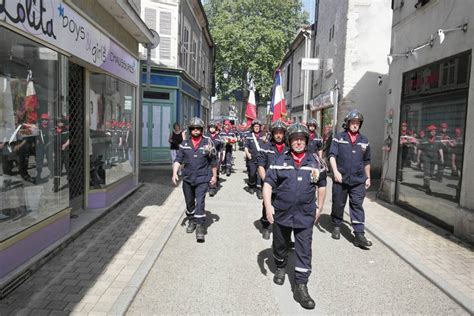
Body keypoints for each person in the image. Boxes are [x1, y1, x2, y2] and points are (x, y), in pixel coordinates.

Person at [263, 122, 323, 309]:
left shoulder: (315, 162)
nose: (298, 142)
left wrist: (319, 207)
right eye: (295, 139)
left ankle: (301, 286)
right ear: (290, 141)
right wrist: (268, 207)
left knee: (304, 250)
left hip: (305, 215)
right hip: (282, 213)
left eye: (302, 139)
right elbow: (267, 184)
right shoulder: (280, 161)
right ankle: (280, 267)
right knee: (280, 245)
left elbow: (322, 185)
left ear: (306, 141)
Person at [329, 110, 372, 248]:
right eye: (353, 122)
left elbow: (367, 161)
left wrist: (368, 177)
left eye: (357, 123)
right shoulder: (338, 138)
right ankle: (336, 225)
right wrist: (335, 171)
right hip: (340, 178)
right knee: (338, 204)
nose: (355, 125)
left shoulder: (364, 141)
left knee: (357, 205)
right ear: (347, 124)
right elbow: (332, 156)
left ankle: (359, 235)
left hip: (358, 180)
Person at [172, 117, 217, 242]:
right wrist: (174, 173)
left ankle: (200, 227)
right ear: (190, 130)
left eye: (198, 128)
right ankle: (191, 220)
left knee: (200, 201)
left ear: (202, 130)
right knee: (189, 202)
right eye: (193, 128)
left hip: (203, 178)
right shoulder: (184, 144)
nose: (196, 130)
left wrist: (214, 176)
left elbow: (213, 161)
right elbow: (178, 160)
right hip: (187, 178)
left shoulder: (208, 142)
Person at [257, 119, 289, 239]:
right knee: (267, 205)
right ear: (272, 133)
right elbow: (260, 165)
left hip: (285, 184)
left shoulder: (289, 147)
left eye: (281, 132)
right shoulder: (265, 146)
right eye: (276, 132)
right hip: (269, 182)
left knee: (285, 207)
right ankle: (266, 225)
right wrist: (267, 181)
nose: (279, 135)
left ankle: (283, 233)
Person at [418, 124, 443, 194]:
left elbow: (440, 149)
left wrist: (442, 158)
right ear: (428, 132)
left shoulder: (438, 139)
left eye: (434, 131)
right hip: (426, 157)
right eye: (432, 131)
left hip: (434, 158)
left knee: (431, 174)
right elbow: (420, 150)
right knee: (427, 172)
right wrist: (418, 159)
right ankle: (427, 188)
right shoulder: (424, 139)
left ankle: (425, 184)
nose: (433, 132)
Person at [244, 119, 265, 199]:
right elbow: (246, 146)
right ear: (253, 127)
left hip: (261, 158)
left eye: (258, 126)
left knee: (260, 174)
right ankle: (251, 185)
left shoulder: (263, 135)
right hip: (252, 157)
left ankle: (259, 189)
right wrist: (247, 153)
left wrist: (265, 140)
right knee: (252, 173)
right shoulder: (249, 135)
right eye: (255, 126)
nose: (256, 128)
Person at [206, 120, 223, 197]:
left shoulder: (218, 137)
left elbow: (220, 148)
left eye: (213, 127)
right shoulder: (205, 136)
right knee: (207, 172)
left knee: (214, 172)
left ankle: (212, 187)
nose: (212, 129)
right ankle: (207, 185)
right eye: (211, 127)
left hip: (215, 157)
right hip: (206, 157)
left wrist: (221, 156)